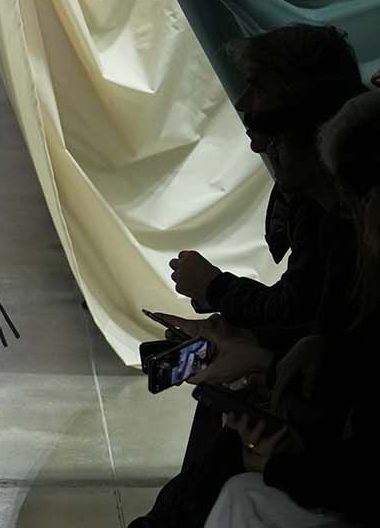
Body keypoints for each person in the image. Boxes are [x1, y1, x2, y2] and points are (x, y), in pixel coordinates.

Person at [135, 26, 367, 528]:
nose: (245, 107)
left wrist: (226, 303)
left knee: (234, 470)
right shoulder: (323, 212)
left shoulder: (339, 216)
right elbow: (316, 320)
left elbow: (316, 326)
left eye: (258, 90)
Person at [189, 90, 380, 527]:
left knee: (241, 495)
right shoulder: (331, 227)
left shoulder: (339, 233)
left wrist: (280, 464)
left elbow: (366, 474)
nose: (259, 144)